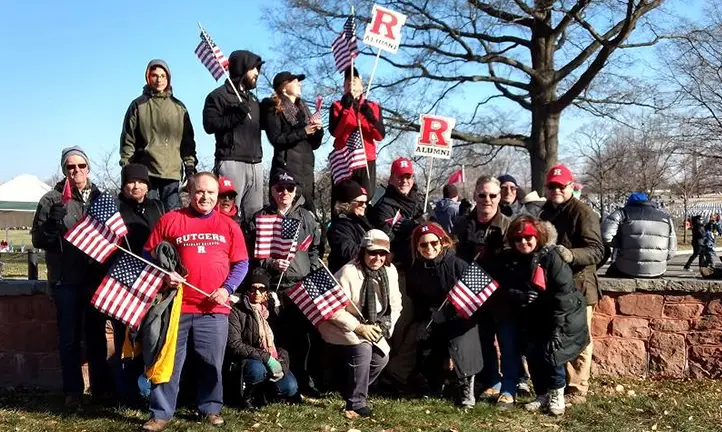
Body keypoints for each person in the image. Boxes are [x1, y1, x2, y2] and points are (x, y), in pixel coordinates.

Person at [141, 172, 249, 431]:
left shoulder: (229, 226)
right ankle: (161, 413)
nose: (206, 197)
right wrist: (165, 275)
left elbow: (242, 263)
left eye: (211, 193)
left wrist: (227, 288)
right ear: (190, 192)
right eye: (200, 192)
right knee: (168, 362)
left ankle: (211, 408)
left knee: (211, 362)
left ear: (217, 195)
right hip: (177, 306)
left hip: (214, 308)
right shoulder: (171, 220)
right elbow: (147, 255)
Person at [31, 146, 113, 410]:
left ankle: (100, 390)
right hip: (66, 279)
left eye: (81, 166)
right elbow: (38, 239)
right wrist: (50, 228)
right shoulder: (52, 199)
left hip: (94, 278)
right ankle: (73, 392)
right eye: (70, 166)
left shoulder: (101, 197)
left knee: (96, 337)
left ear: (88, 168)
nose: (76, 171)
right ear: (64, 169)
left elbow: (113, 235)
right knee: (69, 339)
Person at [497, 215, 589, 416]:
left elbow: (563, 295)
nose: (523, 242)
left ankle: (557, 394)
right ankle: (542, 393)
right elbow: (503, 288)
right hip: (530, 315)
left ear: (538, 236)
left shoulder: (552, 257)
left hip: (558, 314)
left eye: (528, 237)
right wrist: (517, 295)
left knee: (553, 354)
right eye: (518, 239)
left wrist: (557, 327)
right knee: (533, 353)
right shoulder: (510, 259)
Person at [248, 169, 322, 397]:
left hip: (299, 286)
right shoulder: (261, 218)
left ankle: (302, 381)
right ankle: (274, 383)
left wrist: (312, 274)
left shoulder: (306, 217)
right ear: (272, 190)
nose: (284, 193)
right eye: (279, 188)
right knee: (273, 337)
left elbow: (315, 249)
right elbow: (252, 253)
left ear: (295, 191)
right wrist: (271, 263)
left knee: (302, 339)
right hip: (271, 287)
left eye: (289, 188)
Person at [539, 164, 604, 406]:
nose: (556, 189)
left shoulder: (583, 213)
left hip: (580, 287)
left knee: (580, 338)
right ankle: (559, 384)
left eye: (561, 186)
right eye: (552, 186)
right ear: (546, 188)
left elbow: (597, 250)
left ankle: (578, 388)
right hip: (553, 287)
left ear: (570, 186)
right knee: (555, 336)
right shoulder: (544, 214)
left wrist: (571, 254)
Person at [320, 229, 402, 417]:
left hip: (375, 324)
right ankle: (356, 402)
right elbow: (332, 309)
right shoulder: (348, 272)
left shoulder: (390, 271)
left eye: (382, 254)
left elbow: (396, 304)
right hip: (344, 325)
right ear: (363, 252)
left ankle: (350, 389)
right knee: (363, 349)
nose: (377, 258)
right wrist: (359, 327)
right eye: (372, 253)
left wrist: (386, 325)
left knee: (381, 358)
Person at [453, 176, 514, 403]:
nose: (486, 199)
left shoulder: (509, 225)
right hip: (472, 292)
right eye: (482, 194)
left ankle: (512, 384)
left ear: (500, 197)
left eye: (492, 195)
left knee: (507, 340)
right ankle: (491, 380)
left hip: (501, 293)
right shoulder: (461, 224)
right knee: (483, 339)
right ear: (474, 195)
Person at [407, 223, 481, 408]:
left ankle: (466, 388)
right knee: (427, 344)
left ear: (443, 242)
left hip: (461, 317)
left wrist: (449, 313)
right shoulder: (417, 269)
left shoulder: (458, 264)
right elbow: (417, 298)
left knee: (461, 345)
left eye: (434, 243)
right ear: (417, 247)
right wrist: (424, 320)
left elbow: (476, 295)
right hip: (433, 316)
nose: (429, 248)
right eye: (423, 245)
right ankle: (435, 383)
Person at [367, 157, 424, 390]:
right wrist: (407, 229)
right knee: (400, 319)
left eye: (408, 176)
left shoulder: (420, 202)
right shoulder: (385, 204)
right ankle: (390, 374)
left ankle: (406, 371)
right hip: (396, 270)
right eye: (400, 177)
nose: (404, 181)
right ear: (391, 178)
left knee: (416, 322)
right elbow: (384, 238)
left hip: (418, 270)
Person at [114, 163, 166, 405]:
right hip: (126, 281)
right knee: (126, 341)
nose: (136, 186)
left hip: (154, 282)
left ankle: (151, 391)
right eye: (130, 182)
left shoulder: (157, 207)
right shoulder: (116, 210)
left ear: (147, 185)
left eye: (140, 181)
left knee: (153, 337)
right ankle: (127, 393)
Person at [120, 59, 197, 211]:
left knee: (172, 216)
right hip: (146, 172)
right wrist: (127, 168)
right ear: (148, 77)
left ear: (168, 78)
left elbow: (187, 141)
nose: (159, 79)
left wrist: (190, 166)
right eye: (155, 75)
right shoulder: (138, 105)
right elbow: (128, 140)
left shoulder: (179, 107)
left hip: (172, 172)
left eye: (163, 75)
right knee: (150, 215)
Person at [203, 50, 265, 223]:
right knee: (228, 215)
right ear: (242, 68)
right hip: (231, 161)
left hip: (256, 163)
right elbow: (209, 125)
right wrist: (235, 115)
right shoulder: (218, 96)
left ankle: (249, 249)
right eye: (254, 69)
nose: (257, 74)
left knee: (255, 218)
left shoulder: (253, 100)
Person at [226, 268, 298, 408]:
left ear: (267, 291)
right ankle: (248, 396)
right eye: (253, 288)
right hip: (248, 359)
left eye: (262, 289)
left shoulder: (274, 310)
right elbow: (234, 344)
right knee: (257, 371)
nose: (257, 293)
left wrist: (282, 364)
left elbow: (283, 342)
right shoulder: (237, 310)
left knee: (290, 387)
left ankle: (266, 393)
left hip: (274, 357)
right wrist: (266, 358)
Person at [262, 71, 323, 213]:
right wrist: (303, 131)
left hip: (306, 174)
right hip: (285, 172)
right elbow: (276, 139)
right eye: (295, 81)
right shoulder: (274, 107)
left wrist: (317, 130)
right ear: (284, 87)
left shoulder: (304, 109)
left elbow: (314, 145)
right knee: (284, 218)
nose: (299, 84)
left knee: (307, 219)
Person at [329, 66, 385, 193]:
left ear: (362, 86)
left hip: (366, 158)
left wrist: (370, 117)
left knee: (365, 196)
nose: (351, 80)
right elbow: (335, 132)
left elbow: (380, 136)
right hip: (344, 159)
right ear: (344, 87)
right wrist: (346, 109)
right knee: (342, 200)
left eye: (355, 78)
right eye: (347, 79)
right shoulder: (337, 106)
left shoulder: (373, 106)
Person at [601, 192, 677, 278]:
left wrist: (621, 243)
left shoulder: (622, 213)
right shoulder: (666, 217)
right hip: (658, 270)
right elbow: (672, 250)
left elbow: (606, 236)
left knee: (611, 272)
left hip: (626, 269)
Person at [327, 180, 373, 273]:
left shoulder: (362, 221)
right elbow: (348, 252)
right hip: (347, 276)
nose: (364, 206)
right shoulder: (339, 226)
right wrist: (373, 248)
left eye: (366, 202)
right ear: (347, 203)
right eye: (360, 202)